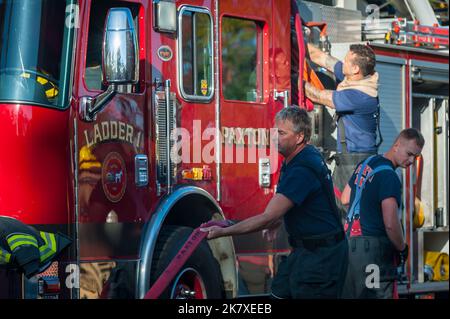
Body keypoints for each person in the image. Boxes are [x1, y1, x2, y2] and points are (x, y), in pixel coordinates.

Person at [201, 106, 348, 299]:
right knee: (278, 294)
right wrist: (276, 222)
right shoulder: (297, 158)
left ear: (300, 137)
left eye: (281, 133)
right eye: (274, 131)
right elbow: (293, 205)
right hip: (305, 251)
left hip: (322, 258)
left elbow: (267, 217)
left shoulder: (302, 169)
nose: (274, 137)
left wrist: (222, 232)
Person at [340, 128, 425, 299]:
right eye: (409, 153)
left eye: (414, 157)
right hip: (373, 254)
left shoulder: (367, 163)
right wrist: (402, 249)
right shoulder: (389, 176)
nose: (410, 161)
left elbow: (345, 198)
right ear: (396, 145)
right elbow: (390, 223)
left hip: (349, 249)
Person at [304, 43, 380, 217]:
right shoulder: (355, 80)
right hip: (348, 160)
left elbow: (317, 95)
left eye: (346, 60)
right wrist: (296, 35)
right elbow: (321, 58)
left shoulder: (360, 96)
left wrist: (291, 78)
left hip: (356, 163)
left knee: (347, 212)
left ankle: (351, 243)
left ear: (355, 69)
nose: (342, 62)